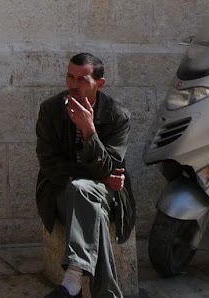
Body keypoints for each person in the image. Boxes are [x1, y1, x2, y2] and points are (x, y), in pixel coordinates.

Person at [36, 52, 135, 298]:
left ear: (99, 84)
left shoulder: (117, 115)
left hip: (107, 194)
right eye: (70, 77)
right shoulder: (50, 110)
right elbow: (50, 165)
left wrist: (89, 129)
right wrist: (99, 177)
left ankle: (72, 282)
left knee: (85, 193)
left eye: (82, 79)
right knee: (83, 195)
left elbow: (111, 166)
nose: (73, 84)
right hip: (60, 191)